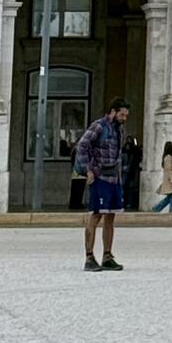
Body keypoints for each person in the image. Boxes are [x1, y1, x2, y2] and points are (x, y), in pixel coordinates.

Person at [73, 97, 130, 272]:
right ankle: (89, 257)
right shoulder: (98, 126)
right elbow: (82, 145)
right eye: (122, 114)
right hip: (100, 178)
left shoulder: (118, 129)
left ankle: (107, 256)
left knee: (111, 216)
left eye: (126, 115)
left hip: (115, 179)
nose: (124, 118)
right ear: (113, 112)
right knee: (96, 215)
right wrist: (88, 169)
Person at [154, 141, 172, 213]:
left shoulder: (167, 157)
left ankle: (157, 208)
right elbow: (169, 169)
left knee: (170, 197)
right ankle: (170, 211)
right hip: (170, 180)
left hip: (169, 180)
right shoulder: (168, 158)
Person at [121, 135, 143, 213]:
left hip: (131, 172)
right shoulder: (123, 152)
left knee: (130, 188)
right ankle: (123, 202)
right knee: (124, 187)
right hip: (125, 173)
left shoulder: (134, 152)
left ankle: (128, 203)